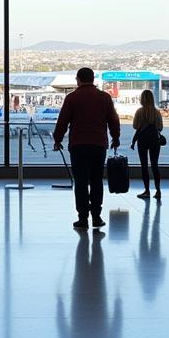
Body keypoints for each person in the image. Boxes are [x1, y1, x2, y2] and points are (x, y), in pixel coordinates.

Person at [52, 67, 121, 230]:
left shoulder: (72, 98)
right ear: (93, 79)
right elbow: (113, 119)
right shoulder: (104, 98)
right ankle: (96, 217)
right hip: (98, 145)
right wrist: (115, 137)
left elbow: (63, 121)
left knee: (81, 182)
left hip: (78, 145)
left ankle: (83, 218)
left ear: (78, 79)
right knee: (97, 180)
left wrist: (58, 139)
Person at [130, 88, 164, 200]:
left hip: (143, 140)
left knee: (144, 166)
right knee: (155, 165)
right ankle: (158, 190)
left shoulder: (139, 112)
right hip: (154, 140)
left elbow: (135, 126)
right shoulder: (156, 112)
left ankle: (147, 191)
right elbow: (160, 127)